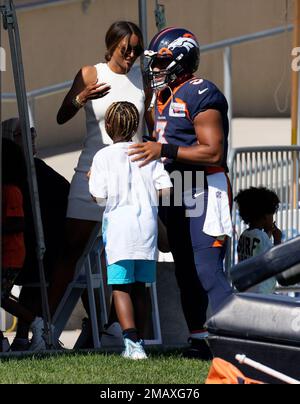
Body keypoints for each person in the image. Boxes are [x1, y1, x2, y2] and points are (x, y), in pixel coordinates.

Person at [128, 27, 233, 359]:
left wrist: (164, 150)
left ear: (181, 59)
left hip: (205, 186)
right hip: (177, 188)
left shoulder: (202, 92)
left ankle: (233, 340)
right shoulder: (159, 97)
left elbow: (214, 152)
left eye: (161, 61)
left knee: (206, 268)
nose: (155, 69)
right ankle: (200, 339)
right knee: (185, 269)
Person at [50, 21, 152, 347]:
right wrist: (80, 97)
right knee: (70, 253)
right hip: (91, 174)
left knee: (123, 259)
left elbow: (147, 128)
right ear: (111, 46)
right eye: (126, 49)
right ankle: (42, 328)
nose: (132, 55)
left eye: (136, 49)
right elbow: (61, 116)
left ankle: (116, 331)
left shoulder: (142, 78)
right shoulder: (91, 74)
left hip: (129, 180)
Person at [89, 101, 172, 359]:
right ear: (135, 125)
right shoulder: (147, 152)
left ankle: (131, 342)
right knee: (141, 287)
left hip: (119, 230)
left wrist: (91, 177)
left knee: (120, 287)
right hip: (146, 228)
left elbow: (98, 196)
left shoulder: (103, 156)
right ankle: (142, 342)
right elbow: (166, 190)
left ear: (109, 126)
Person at [2, 118, 70, 351]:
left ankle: (32, 327)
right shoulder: (15, 176)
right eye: (25, 133)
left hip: (30, 249)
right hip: (25, 248)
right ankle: (24, 334)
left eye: (33, 131)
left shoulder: (33, 172)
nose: (33, 137)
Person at [1, 138, 50, 351]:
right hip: (6, 255)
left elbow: (17, 222)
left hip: (10, 256)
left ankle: (36, 323)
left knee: (2, 297)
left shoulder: (11, 190)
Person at [233, 187, 282, 294]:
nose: (272, 219)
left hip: (248, 288)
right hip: (263, 291)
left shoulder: (244, 235)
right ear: (265, 217)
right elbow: (276, 260)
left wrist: (268, 233)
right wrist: (278, 239)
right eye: (272, 215)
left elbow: (258, 251)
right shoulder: (262, 237)